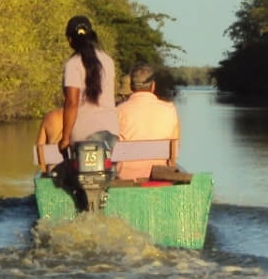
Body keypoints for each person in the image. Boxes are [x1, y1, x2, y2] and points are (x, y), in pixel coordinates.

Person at [58, 14, 119, 156]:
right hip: (110, 132)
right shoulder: (108, 60)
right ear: (92, 36)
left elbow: (72, 103)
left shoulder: (73, 64)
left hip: (82, 135)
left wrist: (65, 138)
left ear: (69, 39)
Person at [116, 63, 179, 180]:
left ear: (131, 86)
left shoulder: (118, 111)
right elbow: (174, 153)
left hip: (126, 178)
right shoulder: (170, 110)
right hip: (160, 176)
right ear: (153, 86)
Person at [34, 106, 65, 170]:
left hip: (53, 167)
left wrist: (44, 171)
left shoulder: (49, 116)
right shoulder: (79, 115)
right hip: (75, 165)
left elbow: (39, 146)